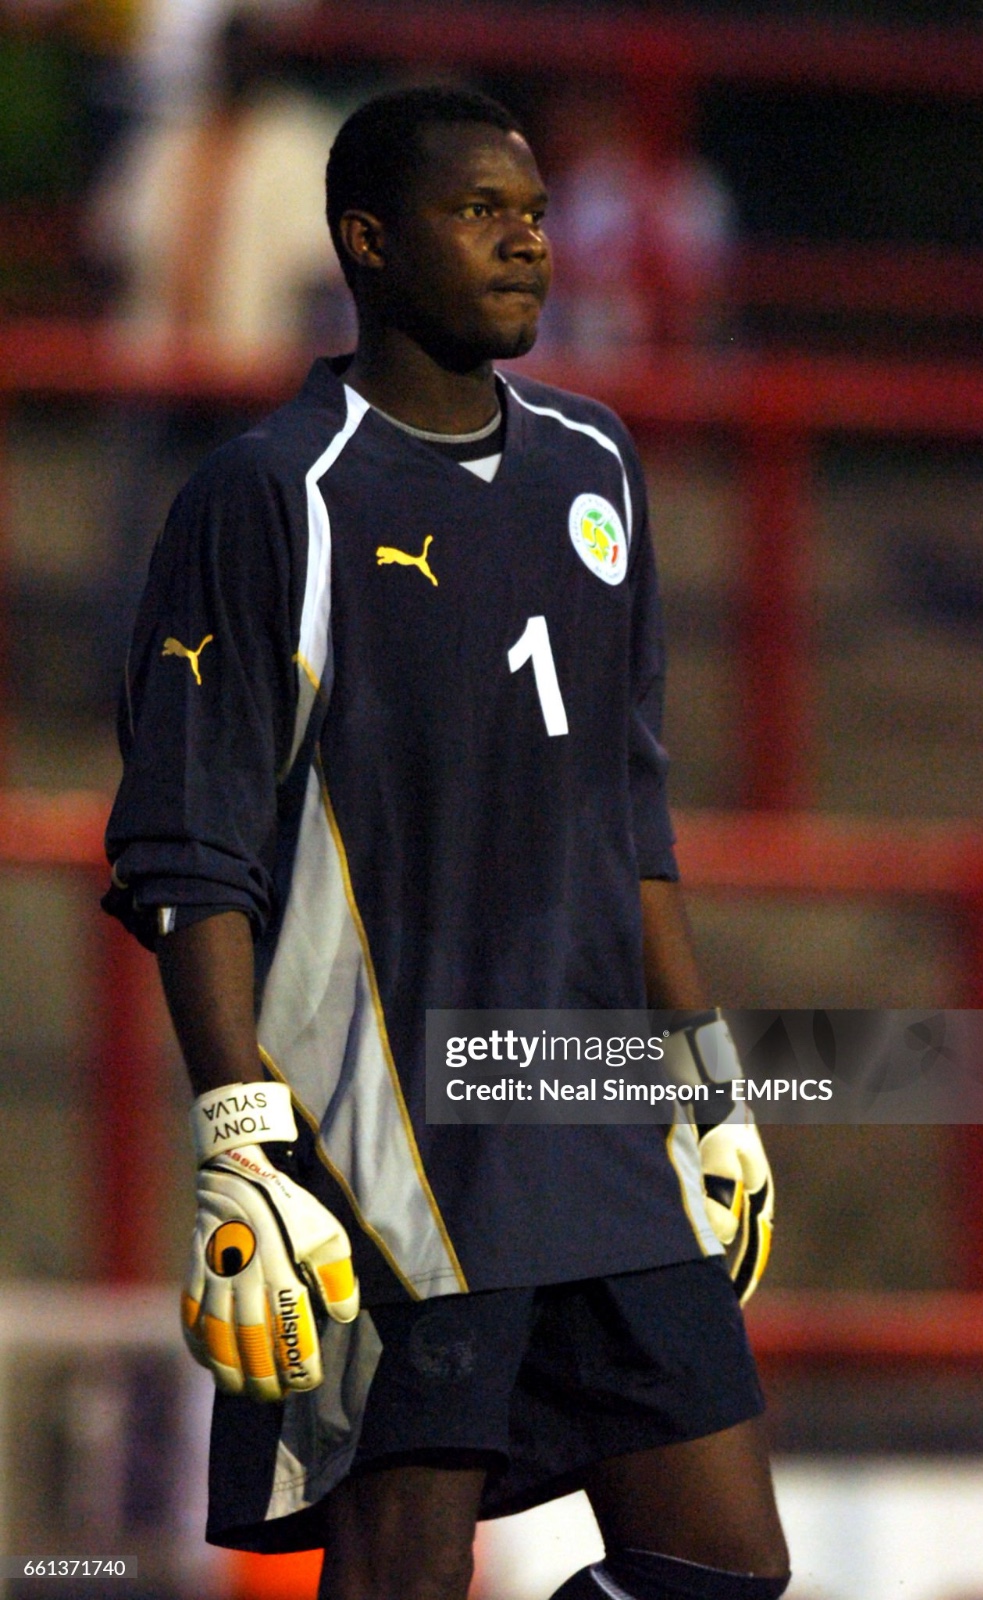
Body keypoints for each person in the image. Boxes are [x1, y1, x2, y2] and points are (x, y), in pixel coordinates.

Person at [103, 86, 790, 1600]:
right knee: (399, 1577)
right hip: (390, 1139)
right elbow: (186, 845)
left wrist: (708, 1083)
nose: (528, 244)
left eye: (535, 214)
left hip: (594, 1111)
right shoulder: (271, 495)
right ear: (366, 243)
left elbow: (630, 815)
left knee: (729, 1573)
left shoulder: (595, 466)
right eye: (481, 214)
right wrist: (239, 1138)